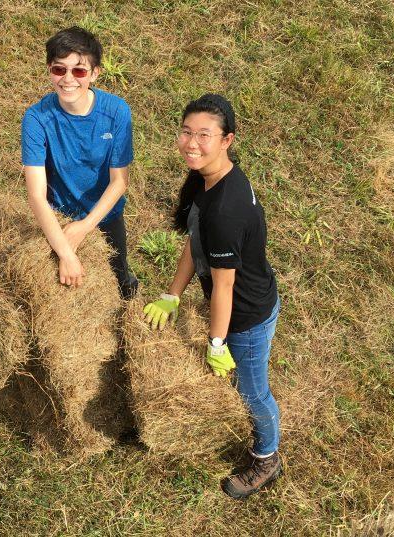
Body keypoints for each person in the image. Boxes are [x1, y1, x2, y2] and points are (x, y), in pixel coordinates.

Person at [142, 94, 281, 499]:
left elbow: (224, 285)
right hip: (243, 298)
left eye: (204, 135)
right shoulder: (212, 179)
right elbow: (195, 240)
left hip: (247, 314)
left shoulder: (226, 209)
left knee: (253, 391)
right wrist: (172, 295)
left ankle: (267, 457)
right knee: (245, 383)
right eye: (186, 132)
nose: (191, 143)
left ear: (227, 140)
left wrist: (217, 342)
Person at [21, 26, 138, 299]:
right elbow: (36, 195)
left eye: (79, 71)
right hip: (60, 216)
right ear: (50, 69)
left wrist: (85, 227)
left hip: (106, 216)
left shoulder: (116, 111)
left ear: (95, 73)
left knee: (120, 280)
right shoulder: (36, 118)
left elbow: (120, 180)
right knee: (62, 292)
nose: (68, 79)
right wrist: (65, 251)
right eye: (59, 70)